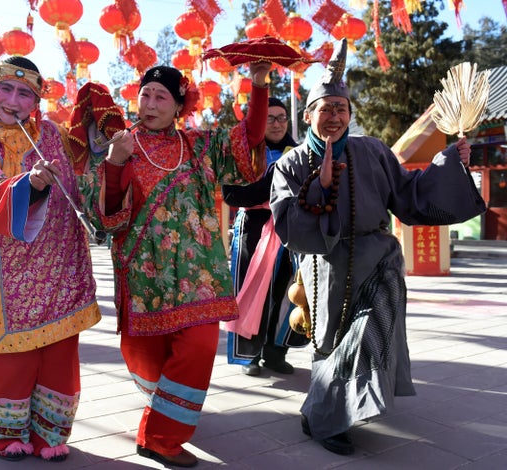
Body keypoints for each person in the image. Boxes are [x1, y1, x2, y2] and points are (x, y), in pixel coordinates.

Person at [270, 39, 486, 455]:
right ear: (311, 113)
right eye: (325, 109)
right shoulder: (291, 163)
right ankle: (322, 414)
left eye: (341, 109)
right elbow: (287, 225)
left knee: (374, 329)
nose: (333, 116)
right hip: (327, 265)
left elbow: (409, 193)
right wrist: (321, 186)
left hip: (380, 259)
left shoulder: (373, 151)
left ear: (350, 113)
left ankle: (345, 407)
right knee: (332, 341)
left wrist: (450, 161)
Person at [76, 61, 271, 467]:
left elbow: (249, 138)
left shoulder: (199, 145)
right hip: (143, 276)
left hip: (200, 273)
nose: (149, 103)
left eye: (160, 96)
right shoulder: (120, 145)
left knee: (200, 344)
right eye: (145, 94)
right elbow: (105, 216)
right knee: (145, 359)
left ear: (179, 105)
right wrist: (114, 165)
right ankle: (165, 406)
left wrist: (258, 84)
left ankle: (160, 437)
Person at [0, 56, 101, 462]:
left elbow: (89, 167)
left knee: (60, 358)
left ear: (36, 102)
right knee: (14, 361)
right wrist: (29, 185)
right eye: (6, 90)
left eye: (25, 94)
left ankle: (51, 432)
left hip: (61, 267)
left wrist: (101, 125)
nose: (13, 100)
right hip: (8, 274)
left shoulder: (52, 134)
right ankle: (7, 433)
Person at [222, 96, 304, 377]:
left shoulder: (300, 151)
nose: (278, 123)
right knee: (252, 288)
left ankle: (276, 351)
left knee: (287, 291)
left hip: (290, 227)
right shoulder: (244, 153)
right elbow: (231, 193)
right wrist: (273, 182)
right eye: (270, 118)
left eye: (282, 117)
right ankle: (249, 356)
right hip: (254, 227)